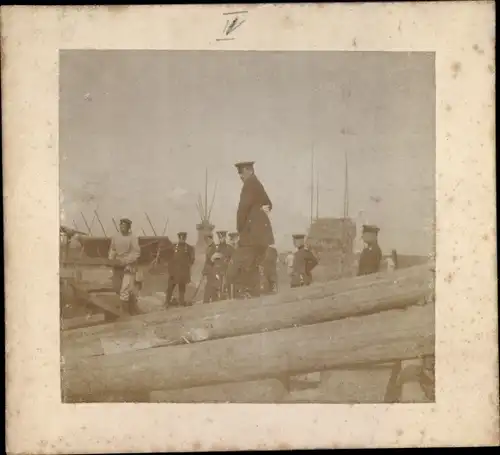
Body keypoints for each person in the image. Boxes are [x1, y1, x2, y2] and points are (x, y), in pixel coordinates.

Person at [229, 161, 275, 298]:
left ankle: (248, 292)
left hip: (251, 233)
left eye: (242, 173)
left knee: (246, 260)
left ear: (249, 170)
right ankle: (252, 291)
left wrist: (240, 228)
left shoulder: (249, 185)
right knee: (255, 261)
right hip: (261, 233)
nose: (240, 177)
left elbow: (243, 208)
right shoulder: (257, 184)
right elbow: (269, 203)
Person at [107, 218, 142, 315]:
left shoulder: (133, 238)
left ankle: (126, 312)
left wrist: (126, 261)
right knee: (117, 287)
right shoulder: (115, 237)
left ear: (128, 227)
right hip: (118, 266)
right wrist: (111, 258)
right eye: (121, 225)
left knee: (125, 289)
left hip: (129, 266)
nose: (122, 227)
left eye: (125, 226)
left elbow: (136, 253)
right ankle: (131, 308)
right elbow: (112, 249)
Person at [165, 231, 195, 307]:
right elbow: (168, 258)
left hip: (183, 272)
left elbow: (192, 259)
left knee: (182, 288)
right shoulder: (173, 247)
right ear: (179, 238)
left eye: (183, 238)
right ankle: (167, 302)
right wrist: (170, 270)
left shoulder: (188, 248)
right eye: (180, 238)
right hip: (174, 272)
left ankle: (181, 303)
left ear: (185, 238)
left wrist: (187, 265)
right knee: (170, 287)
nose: (182, 240)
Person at [215, 230, 235, 298]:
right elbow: (216, 259)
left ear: (225, 238)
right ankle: (221, 296)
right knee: (220, 283)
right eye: (220, 238)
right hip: (220, 268)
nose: (221, 239)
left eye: (222, 238)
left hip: (228, 268)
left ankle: (230, 295)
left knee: (228, 282)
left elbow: (234, 257)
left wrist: (229, 260)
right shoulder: (217, 249)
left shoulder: (229, 247)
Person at [202, 233, 218, 303]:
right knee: (211, 285)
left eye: (207, 239)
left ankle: (206, 300)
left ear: (211, 239)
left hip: (212, 269)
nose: (206, 241)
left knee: (209, 285)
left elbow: (211, 260)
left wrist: (206, 270)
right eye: (206, 240)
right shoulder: (209, 247)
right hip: (209, 269)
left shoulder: (213, 248)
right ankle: (213, 299)